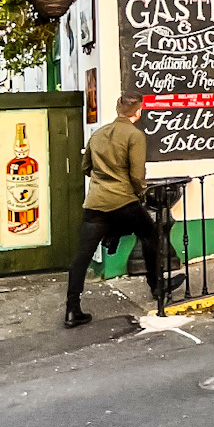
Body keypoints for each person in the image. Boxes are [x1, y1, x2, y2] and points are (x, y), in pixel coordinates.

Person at [64, 93, 182, 328]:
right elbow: (137, 176)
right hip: (123, 200)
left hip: (95, 202)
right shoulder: (134, 135)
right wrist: (138, 193)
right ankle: (157, 287)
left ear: (118, 109)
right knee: (150, 234)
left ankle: (72, 309)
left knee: (82, 256)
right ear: (138, 112)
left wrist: (103, 180)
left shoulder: (98, 134)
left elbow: (85, 167)